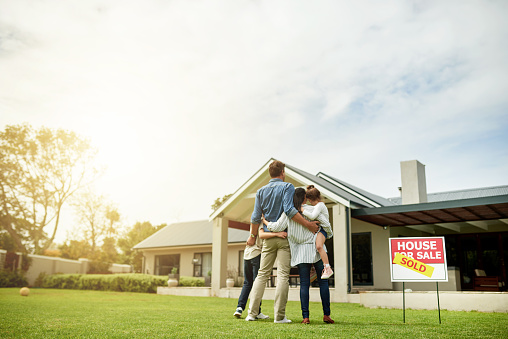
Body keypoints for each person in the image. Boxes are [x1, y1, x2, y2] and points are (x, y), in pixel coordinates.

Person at [245, 160, 319, 324]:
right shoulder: (287, 187)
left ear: (270, 174)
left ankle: (251, 313)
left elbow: (255, 217)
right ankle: (279, 317)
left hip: (269, 238)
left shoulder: (261, 191)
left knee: (261, 275)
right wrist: (308, 224)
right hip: (284, 237)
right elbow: (289, 210)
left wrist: (252, 235)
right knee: (283, 276)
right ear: (283, 172)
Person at [263, 187, 334, 324]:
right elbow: (323, 222)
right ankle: (326, 315)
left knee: (304, 284)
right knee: (323, 282)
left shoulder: (288, 212)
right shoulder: (311, 209)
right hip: (316, 249)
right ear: (305, 198)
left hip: (301, 253)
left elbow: (277, 227)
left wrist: (265, 222)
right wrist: (328, 233)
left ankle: (305, 317)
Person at [233, 225, 287, 319]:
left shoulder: (254, 222)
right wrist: (277, 234)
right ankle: (256, 312)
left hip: (247, 254)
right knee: (258, 282)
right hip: (256, 254)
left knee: (247, 282)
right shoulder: (261, 222)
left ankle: (240, 307)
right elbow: (261, 235)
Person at [302, 185, 334, 279]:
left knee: (319, 246)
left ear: (310, 199)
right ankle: (313, 269)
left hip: (323, 229)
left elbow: (312, 216)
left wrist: (302, 209)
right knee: (312, 246)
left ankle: (328, 268)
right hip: (320, 229)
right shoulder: (316, 206)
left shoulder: (320, 205)